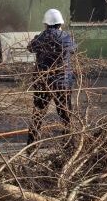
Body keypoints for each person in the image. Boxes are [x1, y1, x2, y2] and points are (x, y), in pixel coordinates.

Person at [26, 8, 77, 144]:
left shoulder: (42, 37)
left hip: (43, 83)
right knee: (66, 115)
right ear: (60, 23)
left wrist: (38, 39)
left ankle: (31, 146)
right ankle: (69, 144)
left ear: (46, 24)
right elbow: (73, 49)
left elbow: (30, 47)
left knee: (38, 114)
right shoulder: (67, 37)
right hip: (63, 83)